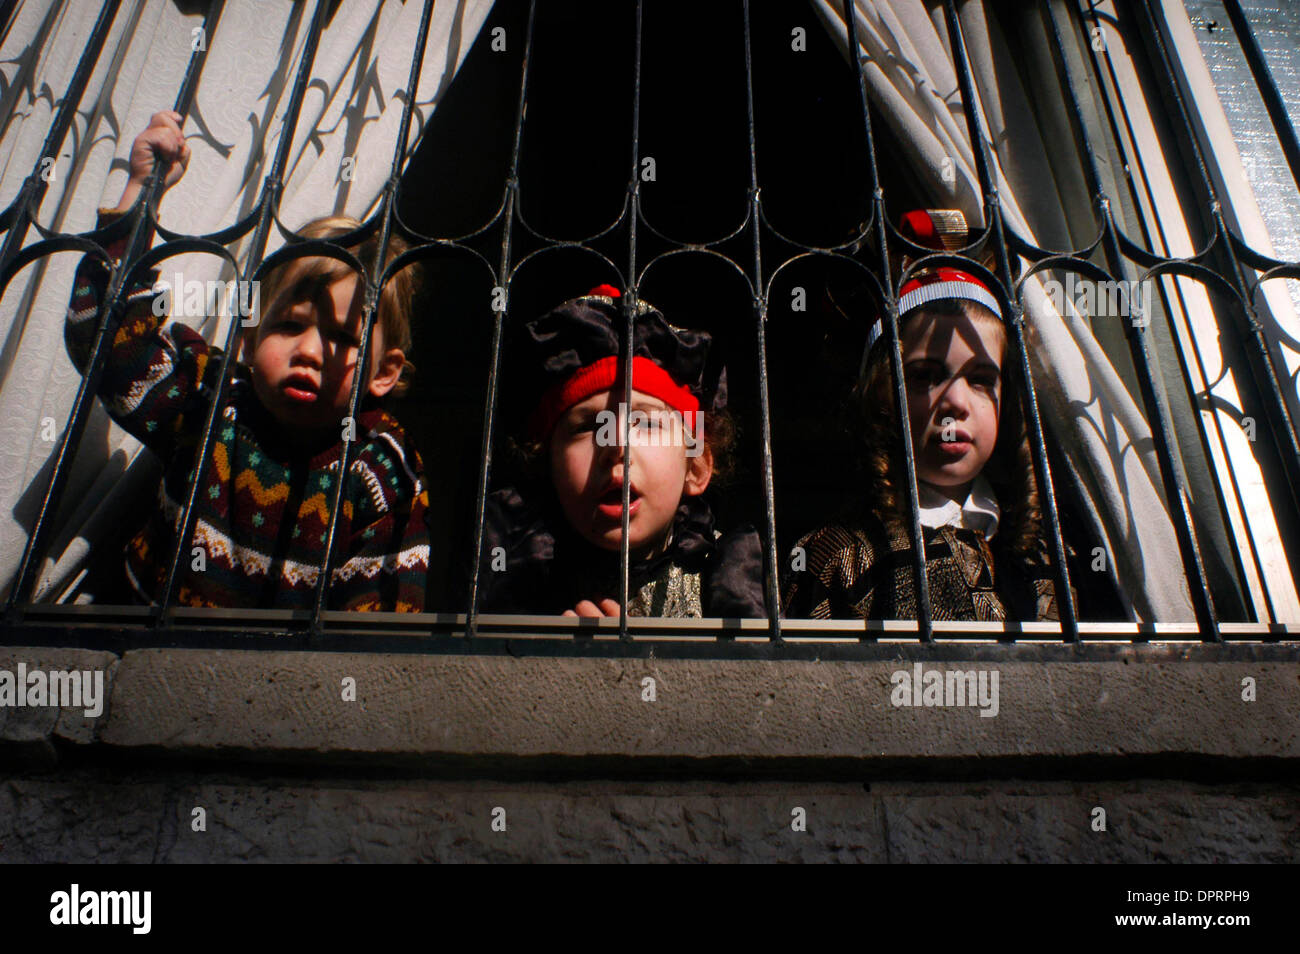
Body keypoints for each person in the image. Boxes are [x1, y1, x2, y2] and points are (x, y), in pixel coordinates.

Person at [64, 111, 429, 611]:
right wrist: (141, 192)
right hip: (137, 651)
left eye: (343, 338)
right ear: (245, 339)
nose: (309, 351)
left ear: (385, 372)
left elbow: (377, 623)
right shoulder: (212, 402)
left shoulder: (382, 468)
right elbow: (105, 341)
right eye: (289, 326)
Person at [782, 209, 1063, 622]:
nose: (955, 402)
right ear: (880, 394)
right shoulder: (836, 552)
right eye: (925, 376)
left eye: (982, 379)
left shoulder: (1048, 550)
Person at [471, 285, 765, 618]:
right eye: (589, 426)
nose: (617, 446)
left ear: (695, 467)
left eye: (645, 424)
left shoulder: (729, 579)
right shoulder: (515, 581)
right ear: (546, 464)